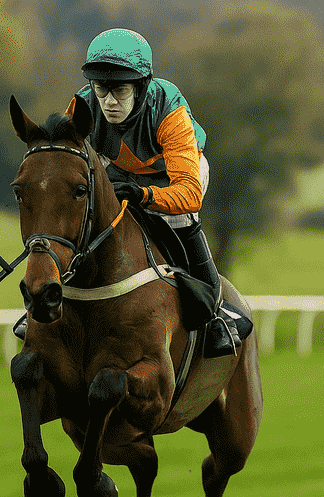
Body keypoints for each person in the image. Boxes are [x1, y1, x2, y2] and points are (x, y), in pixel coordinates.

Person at [17, 28, 240, 358]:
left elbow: (189, 192)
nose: (108, 101)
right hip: (120, 171)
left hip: (174, 174)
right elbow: (69, 162)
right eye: (100, 88)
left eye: (118, 90)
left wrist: (144, 194)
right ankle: (50, 300)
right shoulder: (83, 105)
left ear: (141, 85)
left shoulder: (169, 109)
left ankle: (217, 314)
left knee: (180, 217)